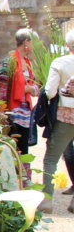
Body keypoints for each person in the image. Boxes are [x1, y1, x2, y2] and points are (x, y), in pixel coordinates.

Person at [0, 28, 39, 183]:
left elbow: (32, 85)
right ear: (26, 42)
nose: (35, 46)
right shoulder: (9, 62)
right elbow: (1, 89)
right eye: (34, 42)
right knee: (12, 151)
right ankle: (15, 183)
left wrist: (31, 88)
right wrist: (2, 113)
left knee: (24, 149)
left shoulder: (27, 62)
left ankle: (24, 183)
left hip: (25, 114)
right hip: (12, 114)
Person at [40, 28, 74, 211]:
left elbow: (49, 91)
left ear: (67, 45)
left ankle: (46, 201)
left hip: (66, 117)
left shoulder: (60, 62)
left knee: (51, 158)